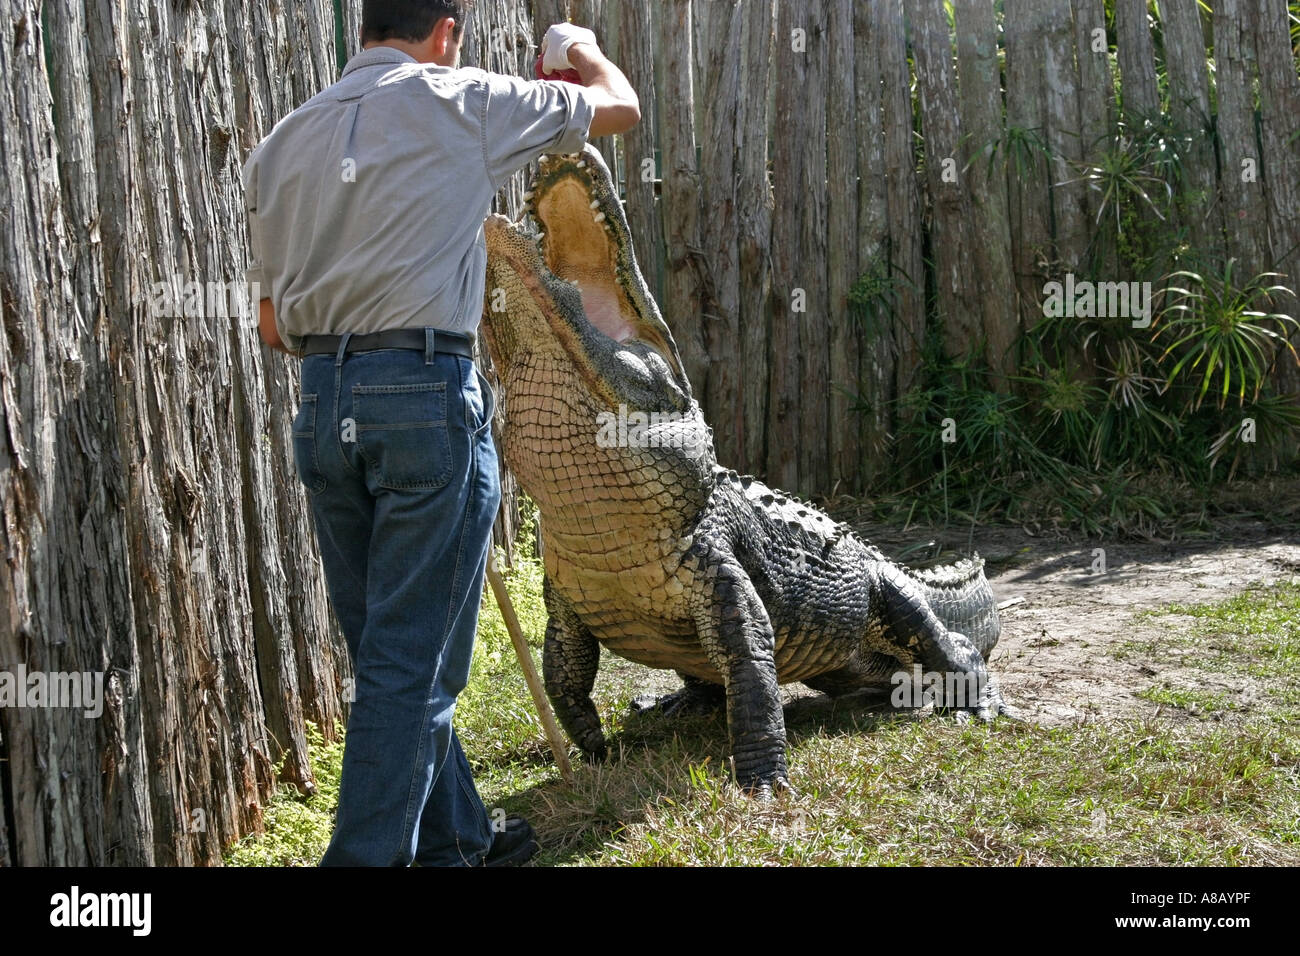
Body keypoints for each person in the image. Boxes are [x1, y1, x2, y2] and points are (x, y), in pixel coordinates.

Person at [240, 0, 640, 866]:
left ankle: (456, 841)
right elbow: (622, 107)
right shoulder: (466, 100)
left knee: (393, 656)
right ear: (446, 30)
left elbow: (273, 328)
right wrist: (576, 47)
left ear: (363, 25)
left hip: (322, 406)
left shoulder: (283, 142)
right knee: (409, 670)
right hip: (421, 395)